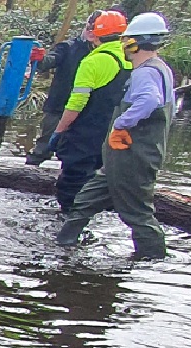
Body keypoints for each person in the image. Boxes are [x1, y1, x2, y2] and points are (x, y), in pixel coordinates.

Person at [57, 13, 175, 259]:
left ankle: (154, 260)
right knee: (85, 201)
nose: (122, 45)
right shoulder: (158, 68)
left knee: (137, 213)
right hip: (119, 157)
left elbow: (149, 101)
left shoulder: (145, 73)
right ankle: (64, 245)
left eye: (126, 40)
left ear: (134, 43)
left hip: (134, 155)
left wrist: (121, 124)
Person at [50, 10, 131, 212]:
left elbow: (76, 103)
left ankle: (67, 231)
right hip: (109, 132)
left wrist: (59, 130)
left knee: (70, 185)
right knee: (90, 179)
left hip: (84, 133)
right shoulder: (128, 59)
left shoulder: (93, 61)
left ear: (95, 33)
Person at [25, 11, 100, 165]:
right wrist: (38, 59)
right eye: (89, 27)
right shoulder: (68, 47)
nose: (91, 32)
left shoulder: (107, 54)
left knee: (79, 150)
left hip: (88, 110)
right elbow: (50, 61)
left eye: (96, 28)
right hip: (59, 105)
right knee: (44, 146)